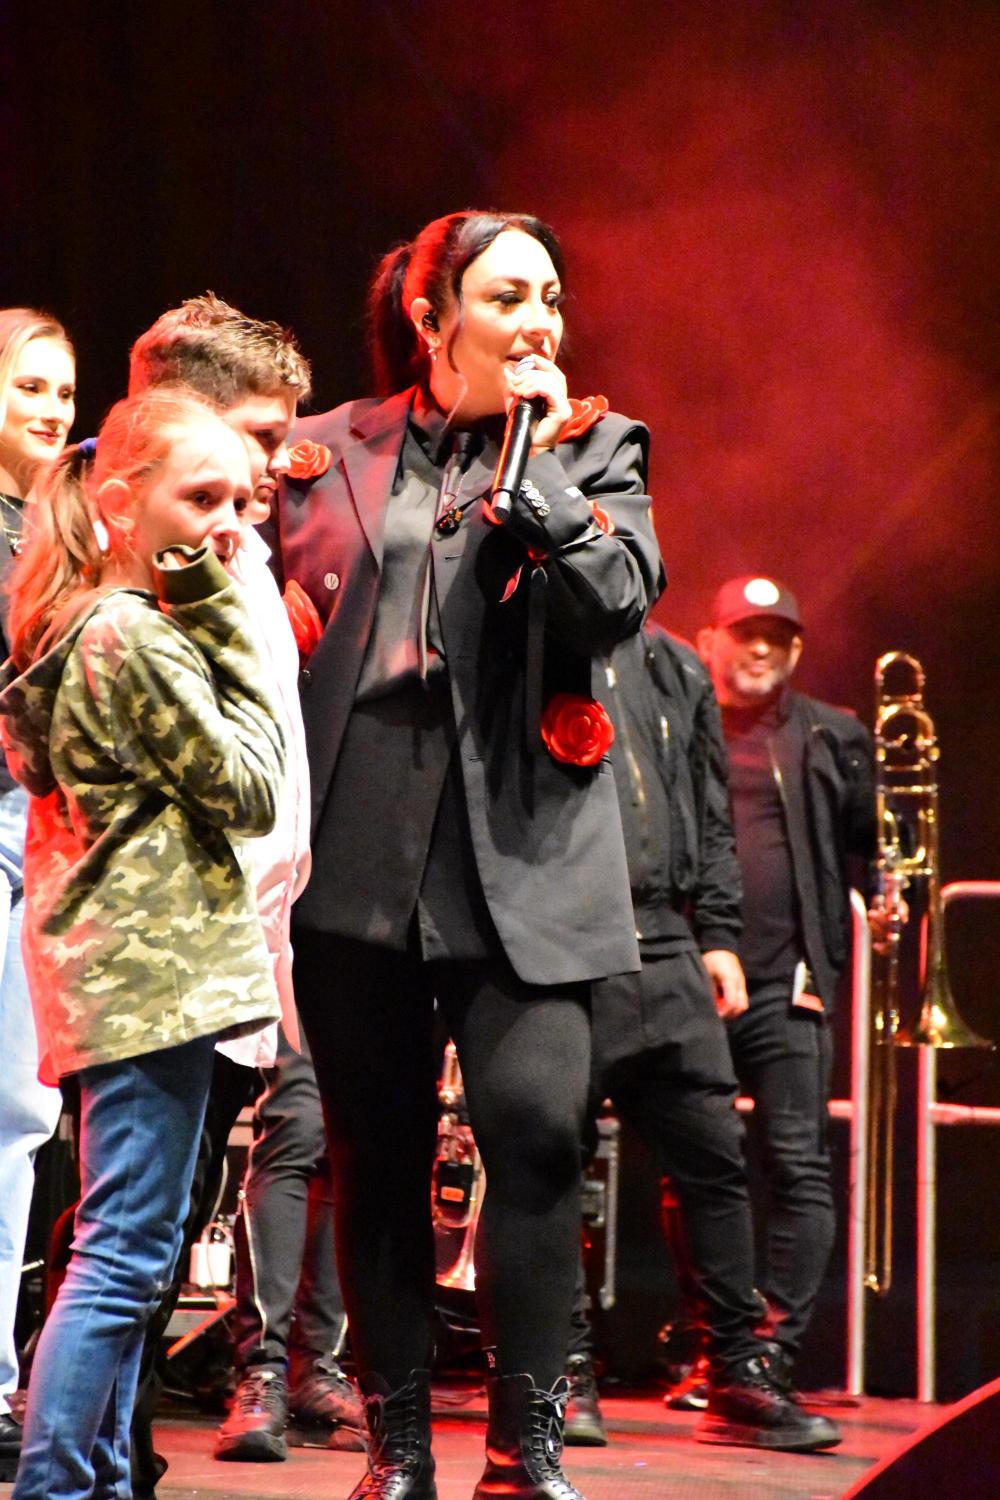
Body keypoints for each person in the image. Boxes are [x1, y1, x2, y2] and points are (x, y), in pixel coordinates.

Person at [265, 209, 663, 1500]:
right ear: (432, 317)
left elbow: (616, 605)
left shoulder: (597, 447)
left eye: (550, 295)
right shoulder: (325, 450)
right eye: (506, 297)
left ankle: (523, 1448)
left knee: (538, 1132)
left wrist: (539, 480)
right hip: (362, 842)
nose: (538, 320)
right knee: (374, 1150)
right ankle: (395, 1451)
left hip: (527, 848)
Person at [0, 386, 285, 1500]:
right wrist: (216, 606)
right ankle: (59, 1486)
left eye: (242, 502)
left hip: (121, 981)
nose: (229, 525)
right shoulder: (135, 633)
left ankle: (98, 1480)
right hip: (153, 983)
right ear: (121, 505)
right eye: (202, 497)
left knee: (127, 1250)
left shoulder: (80, 625)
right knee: (122, 1260)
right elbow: (254, 786)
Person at [128, 293, 362, 1479]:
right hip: (168, 944)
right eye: (262, 436)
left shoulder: (248, 558)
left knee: (169, 1213)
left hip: (240, 941)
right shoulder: (146, 571)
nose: (280, 464)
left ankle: (113, 1445)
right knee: (131, 1227)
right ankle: (90, 1454)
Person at [561, 622, 841, 1452]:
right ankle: (562, 1372)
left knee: (715, 1161)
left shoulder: (676, 664)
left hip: (666, 941)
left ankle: (735, 1372)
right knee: (552, 1165)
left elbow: (711, 813)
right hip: (563, 942)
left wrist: (717, 934)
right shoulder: (531, 638)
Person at [694, 574, 876, 1390]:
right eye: (746, 633)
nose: (763, 648)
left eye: (778, 636)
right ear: (711, 643)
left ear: (796, 652)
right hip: (691, 975)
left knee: (798, 1162)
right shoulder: (681, 727)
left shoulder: (833, 734)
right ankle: (714, 1347)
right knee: (697, 1166)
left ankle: (769, 1353)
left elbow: (873, 846)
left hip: (788, 981)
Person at [0, 308, 76, 1483]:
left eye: (65, 390)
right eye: (29, 387)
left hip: (43, 825)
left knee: (21, 1116)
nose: (55, 408)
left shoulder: (60, 526)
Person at [214, 1022, 362, 1462]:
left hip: (387, 981)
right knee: (297, 1121)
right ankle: (262, 1370)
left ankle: (315, 1369)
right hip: (297, 978)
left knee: (349, 1135)